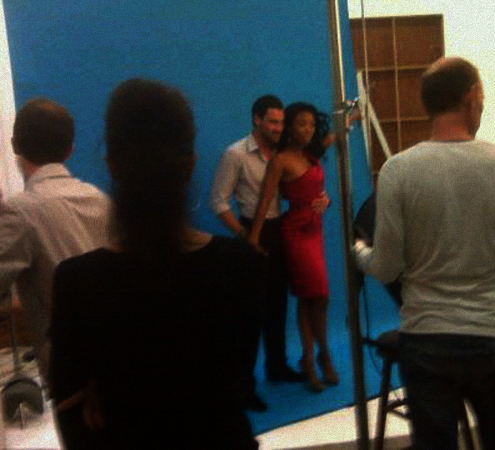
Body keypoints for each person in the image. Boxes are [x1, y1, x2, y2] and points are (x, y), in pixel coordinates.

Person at [49, 79, 261, 449]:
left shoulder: (76, 281)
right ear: (191, 164)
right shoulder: (241, 265)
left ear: (113, 165)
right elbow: (238, 384)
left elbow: (72, 413)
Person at [354, 57, 495, 449]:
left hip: (426, 337)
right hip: (491, 335)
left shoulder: (398, 170)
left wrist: (358, 251)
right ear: (472, 96)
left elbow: (386, 267)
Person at [0, 98, 109, 382]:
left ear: (15, 146)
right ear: (70, 149)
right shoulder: (99, 199)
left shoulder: (21, 212)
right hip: (117, 358)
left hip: (70, 374)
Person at [211, 95, 306, 410]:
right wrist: (244, 236)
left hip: (279, 229)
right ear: (257, 120)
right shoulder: (235, 154)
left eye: (281, 122)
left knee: (278, 303)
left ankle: (277, 366)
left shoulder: (282, 152)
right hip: (250, 230)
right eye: (273, 122)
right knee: (250, 313)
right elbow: (218, 202)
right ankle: (244, 386)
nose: (279, 128)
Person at [249, 102, 339, 393]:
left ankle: (317, 355)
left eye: (311, 124)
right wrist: (253, 238)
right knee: (313, 294)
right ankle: (313, 359)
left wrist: (326, 201)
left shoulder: (311, 154)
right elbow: (265, 199)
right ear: (289, 126)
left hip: (316, 228)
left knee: (316, 298)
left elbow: (319, 187)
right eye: (302, 124)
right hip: (296, 232)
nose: (308, 129)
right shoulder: (281, 160)